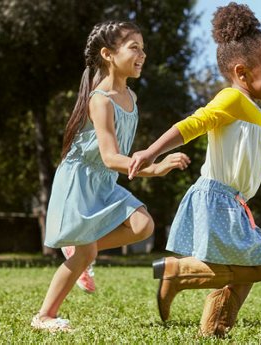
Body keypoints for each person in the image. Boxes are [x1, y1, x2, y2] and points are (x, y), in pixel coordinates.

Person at [128, 3, 261, 337]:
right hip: (217, 197)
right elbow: (194, 123)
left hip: (234, 203)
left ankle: (215, 326)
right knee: (258, 267)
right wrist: (151, 151)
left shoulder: (255, 116)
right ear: (242, 73)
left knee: (252, 268)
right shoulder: (232, 99)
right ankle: (175, 272)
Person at [31, 20, 191, 332]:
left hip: (105, 178)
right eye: (134, 48)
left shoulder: (131, 98)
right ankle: (44, 316)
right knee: (86, 252)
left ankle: (83, 248)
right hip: (81, 179)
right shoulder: (99, 99)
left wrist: (149, 166)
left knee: (143, 225)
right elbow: (109, 155)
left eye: (143, 49)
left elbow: (115, 159)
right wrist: (155, 167)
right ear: (108, 54)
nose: (142, 54)